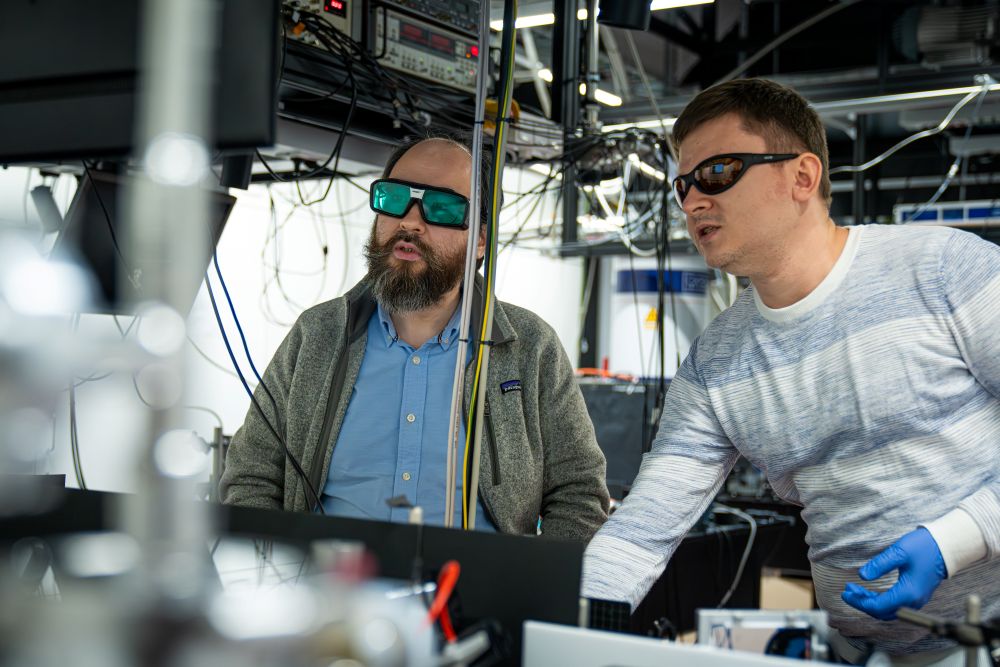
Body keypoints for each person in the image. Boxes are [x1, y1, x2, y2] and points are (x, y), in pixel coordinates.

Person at [582, 78, 999, 661]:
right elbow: (641, 532)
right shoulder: (716, 363)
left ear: (802, 177)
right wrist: (566, 626)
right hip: (865, 651)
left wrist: (958, 538)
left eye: (719, 172)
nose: (693, 200)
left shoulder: (945, 270)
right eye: (683, 185)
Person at [221, 135, 609, 540]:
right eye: (393, 199)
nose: (409, 222)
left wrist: (533, 595)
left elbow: (578, 494)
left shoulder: (530, 349)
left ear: (480, 239)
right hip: (331, 595)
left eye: (440, 207)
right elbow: (251, 477)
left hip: (473, 599)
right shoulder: (316, 336)